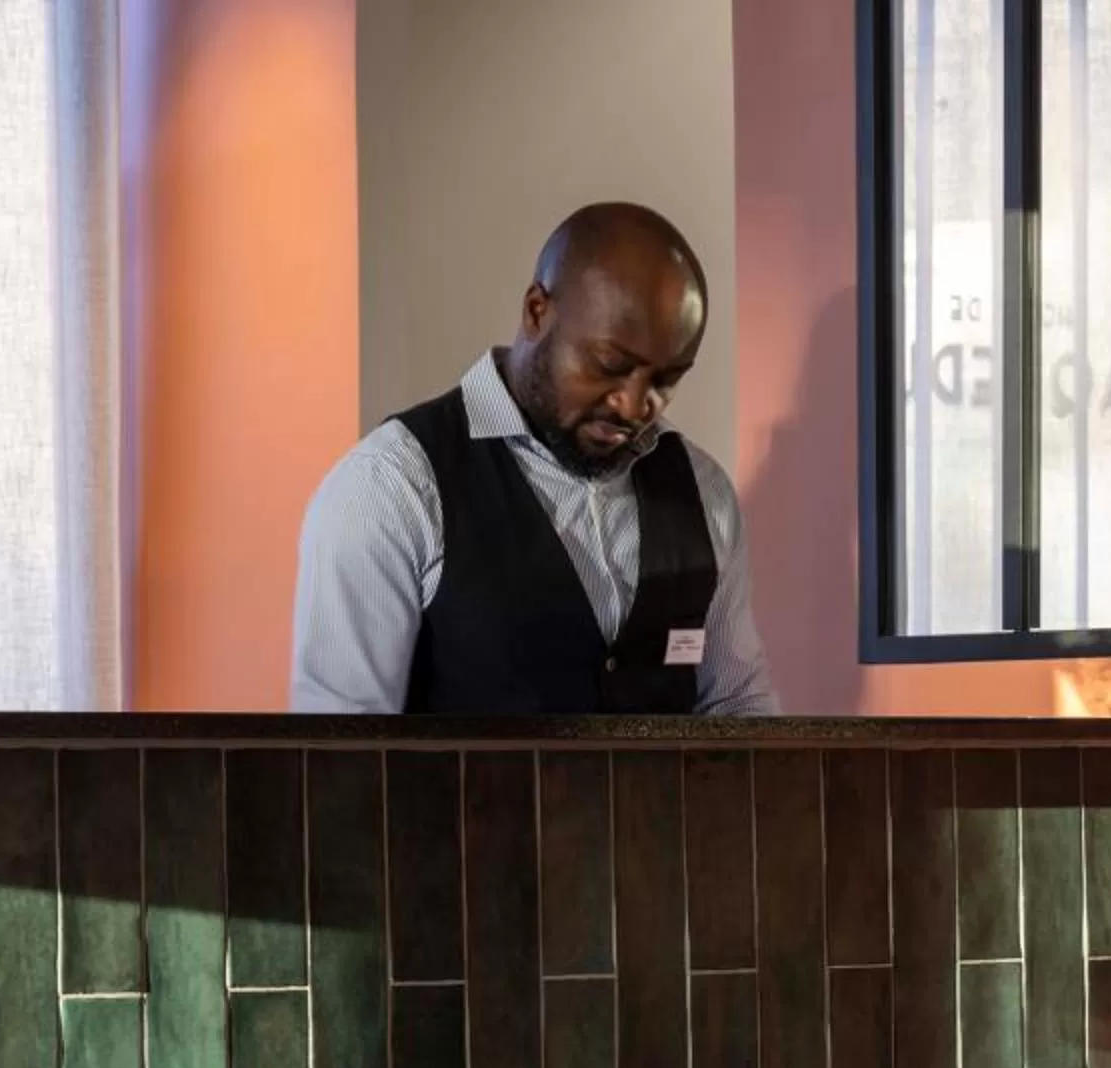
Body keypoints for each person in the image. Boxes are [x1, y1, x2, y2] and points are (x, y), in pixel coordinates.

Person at [291, 203, 778, 715]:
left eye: (666, 380)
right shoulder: (391, 486)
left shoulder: (704, 493)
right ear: (536, 312)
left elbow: (737, 702)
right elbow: (342, 749)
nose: (635, 405)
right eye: (611, 365)